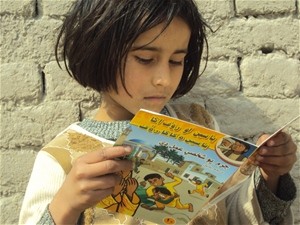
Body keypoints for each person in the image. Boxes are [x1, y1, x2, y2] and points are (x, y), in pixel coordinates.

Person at [18, 0, 297, 225]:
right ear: (99, 52)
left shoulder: (198, 123)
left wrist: (271, 175)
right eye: (146, 59)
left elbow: (228, 212)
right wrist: (66, 205)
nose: (163, 78)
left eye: (177, 60)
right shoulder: (60, 158)